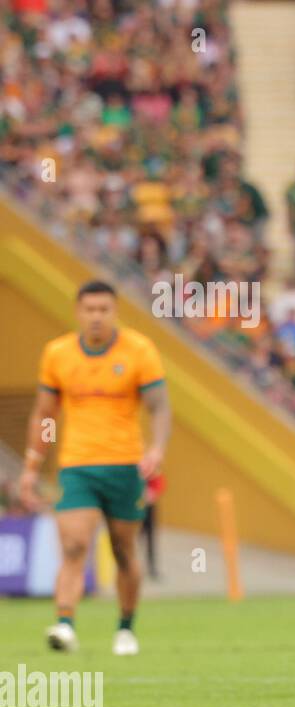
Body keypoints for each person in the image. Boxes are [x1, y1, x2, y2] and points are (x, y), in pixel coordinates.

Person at [19, 280, 171, 655]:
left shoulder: (140, 350)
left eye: (104, 309)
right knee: (73, 545)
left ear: (115, 311)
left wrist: (157, 448)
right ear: (78, 312)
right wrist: (33, 465)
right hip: (77, 465)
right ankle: (65, 624)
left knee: (123, 552)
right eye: (90, 309)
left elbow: (159, 406)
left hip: (125, 466)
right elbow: (45, 415)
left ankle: (125, 628)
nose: (97, 316)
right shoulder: (58, 354)